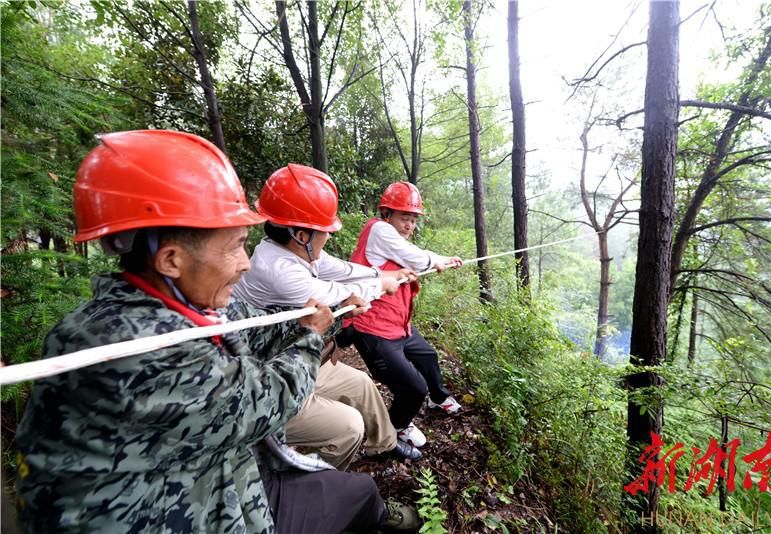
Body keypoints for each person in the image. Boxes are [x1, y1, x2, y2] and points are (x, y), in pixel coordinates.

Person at [13, 130, 418, 533]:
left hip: (216, 476)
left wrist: (300, 322)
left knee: (355, 488)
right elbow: (261, 405)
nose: (245, 263)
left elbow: (253, 331)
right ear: (171, 260)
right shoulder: (137, 347)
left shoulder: (184, 308)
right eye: (235, 246)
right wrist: (311, 337)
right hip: (183, 510)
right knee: (354, 482)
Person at [234, 164, 422, 468]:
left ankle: (384, 444)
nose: (329, 238)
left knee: (362, 384)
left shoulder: (289, 251)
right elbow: (331, 291)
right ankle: (318, 485)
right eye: (325, 232)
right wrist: (377, 285)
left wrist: (381, 274)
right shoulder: (277, 270)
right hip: (269, 374)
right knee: (348, 427)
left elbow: (339, 269)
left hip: (287, 354)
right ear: (300, 234)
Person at [347, 181, 464, 448]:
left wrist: (444, 258)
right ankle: (395, 429)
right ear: (387, 213)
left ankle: (438, 398)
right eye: (404, 217)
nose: (409, 225)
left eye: (413, 220)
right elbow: (417, 257)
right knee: (413, 388)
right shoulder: (379, 230)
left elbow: (417, 254)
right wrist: (436, 261)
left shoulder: (392, 241)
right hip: (372, 328)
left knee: (428, 357)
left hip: (398, 326)